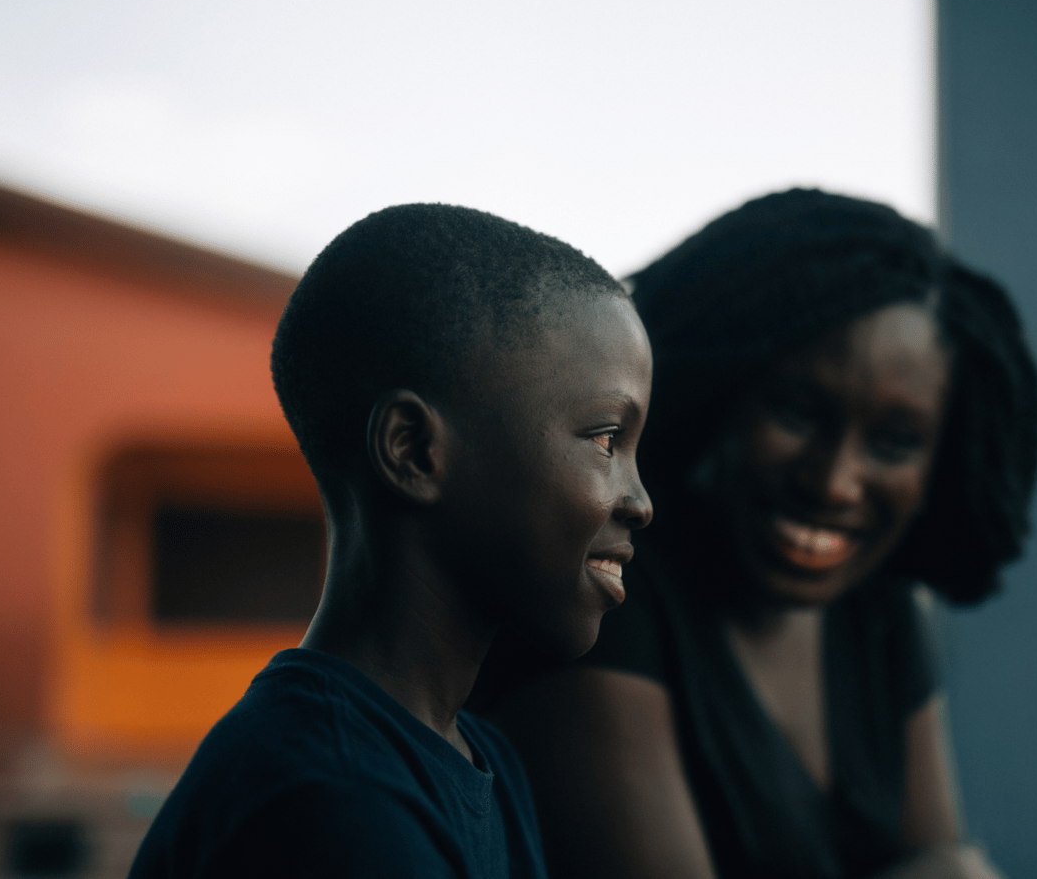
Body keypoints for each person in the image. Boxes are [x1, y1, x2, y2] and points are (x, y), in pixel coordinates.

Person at [475, 190, 1037, 879]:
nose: (834, 483)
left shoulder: (878, 611)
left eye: (894, 442)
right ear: (717, 391)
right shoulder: (604, 586)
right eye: (799, 412)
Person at [129, 203, 654, 878]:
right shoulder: (331, 801)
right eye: (607, 440)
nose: (641, 503)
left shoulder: (480, 758)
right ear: (413, 449)